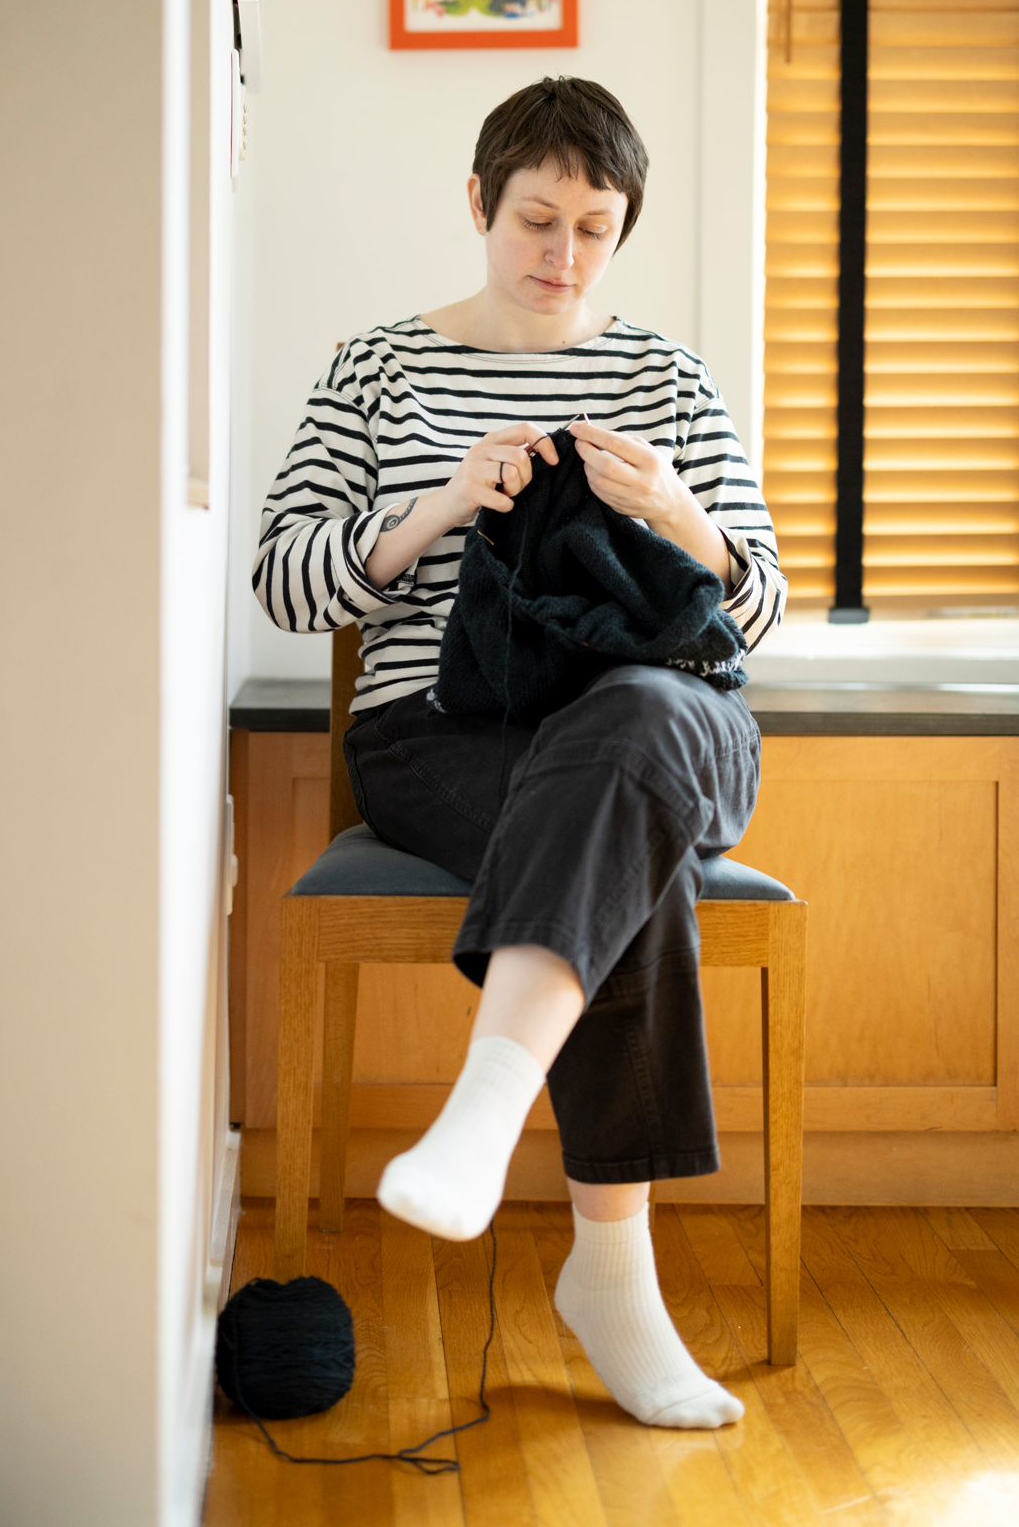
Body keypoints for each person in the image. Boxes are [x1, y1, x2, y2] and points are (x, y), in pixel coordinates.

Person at [253, 77, 786, 1431]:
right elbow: (284, 581)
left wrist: (678, 511)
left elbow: (761, 603)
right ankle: (612, 1271)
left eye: (595, 229)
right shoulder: (376, 368)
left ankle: (486, 1110)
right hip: (445, 735)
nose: (562, 255)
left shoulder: (666, 374)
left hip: (660, 726)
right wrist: (436, 509)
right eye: (537, 219)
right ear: (479, 204)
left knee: (640, 728)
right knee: (623, 841)